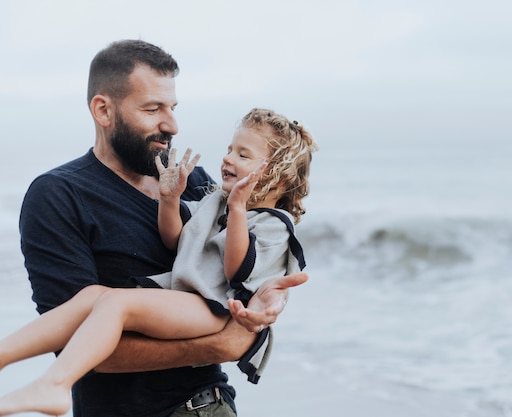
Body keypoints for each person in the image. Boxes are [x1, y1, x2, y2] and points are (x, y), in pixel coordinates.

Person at [9, 39, 309, 417]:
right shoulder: (59, 196)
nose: (172, 125)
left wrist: (272, 298)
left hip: (206, 406)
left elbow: (254, 260)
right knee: (96, 300)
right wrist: (219, 345)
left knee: (111, 301)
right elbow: (77, 345)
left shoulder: (199, 182)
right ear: (103, 110)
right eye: (153, 109)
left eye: (172, 107)